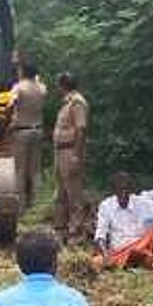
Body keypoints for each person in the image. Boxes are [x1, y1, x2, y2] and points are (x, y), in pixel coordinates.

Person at [92, 172, 153, 272]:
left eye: (126, 189)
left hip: (142, 245)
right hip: (120, 250)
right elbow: (100, 236)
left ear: (131, 190)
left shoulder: (141, 202)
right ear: (114, 190)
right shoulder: (106, 206)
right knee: (98, 261)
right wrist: (106, 255)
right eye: (120, 190)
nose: (123, 193)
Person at [52, 72, 89, 241]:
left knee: (74, 193)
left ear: (63, 85)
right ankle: (60, 230)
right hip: (60, 152)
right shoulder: (66, 103)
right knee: (60, 193)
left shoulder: (77, 102)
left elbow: (81, 129)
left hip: (70, 151)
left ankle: (76, 232)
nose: (57, 88)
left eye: (58, 85)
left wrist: (76, 155)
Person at [9, 61, 47, 209]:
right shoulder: (42, 88)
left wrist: (9, 118)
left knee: (20, 170)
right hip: (38, 130)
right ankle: (36, 204)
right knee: (35, 170)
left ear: (22, 72)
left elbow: (12, 104)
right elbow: (42, 90)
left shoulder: (19, 87)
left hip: (21, 131)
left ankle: (21, 205)